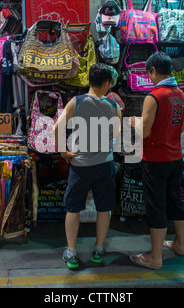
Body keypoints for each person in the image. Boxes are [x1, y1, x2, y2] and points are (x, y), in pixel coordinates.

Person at [53, 63, 121, 269]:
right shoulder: (114, 106)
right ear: (108, 83)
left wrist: (63, 151)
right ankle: (99, 250)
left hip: (80, 165)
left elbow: (57, 127)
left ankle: (71, 252)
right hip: (105, 164)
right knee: (104, 208)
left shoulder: (77, 102)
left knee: (73, 208)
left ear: (89, 80)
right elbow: (116, 136)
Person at [129, 52, 184, 270]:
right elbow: (180, 129)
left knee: (156, 206)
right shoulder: (181, 95)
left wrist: (134, 121)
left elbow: (143, 132)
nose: (150, 78)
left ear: (153, 71)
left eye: (149, 74)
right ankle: (179, 245)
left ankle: (155, 257)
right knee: (176, 201)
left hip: (155, 160)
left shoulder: (154, 96)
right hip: (176, 158)